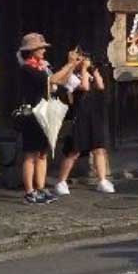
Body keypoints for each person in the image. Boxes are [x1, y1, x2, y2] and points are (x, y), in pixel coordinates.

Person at [16, 33, 81, 204]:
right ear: (31, 50)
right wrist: (69, 64)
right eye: (41, 48)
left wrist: (72, 66)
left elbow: (61, 81)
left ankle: (41, 187)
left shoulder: (43, 66)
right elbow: (50, 80)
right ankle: (30, 191)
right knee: (31, 154)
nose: (44, 50)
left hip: (46, 112)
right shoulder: (28, 68)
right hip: (32, 114)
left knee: (43, 153)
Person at [55, 50, 114, 195]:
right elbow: (85, 87)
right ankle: (61, 181)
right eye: (81, 58)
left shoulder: (88, 73)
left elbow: (100, 86)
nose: (85, 61)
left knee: (99, 149)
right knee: (74, 150)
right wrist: (82, 69)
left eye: (86, 58)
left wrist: (93, 71)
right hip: (80, 115)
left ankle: (102, 180)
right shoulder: (70, 76)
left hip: (94, 114)